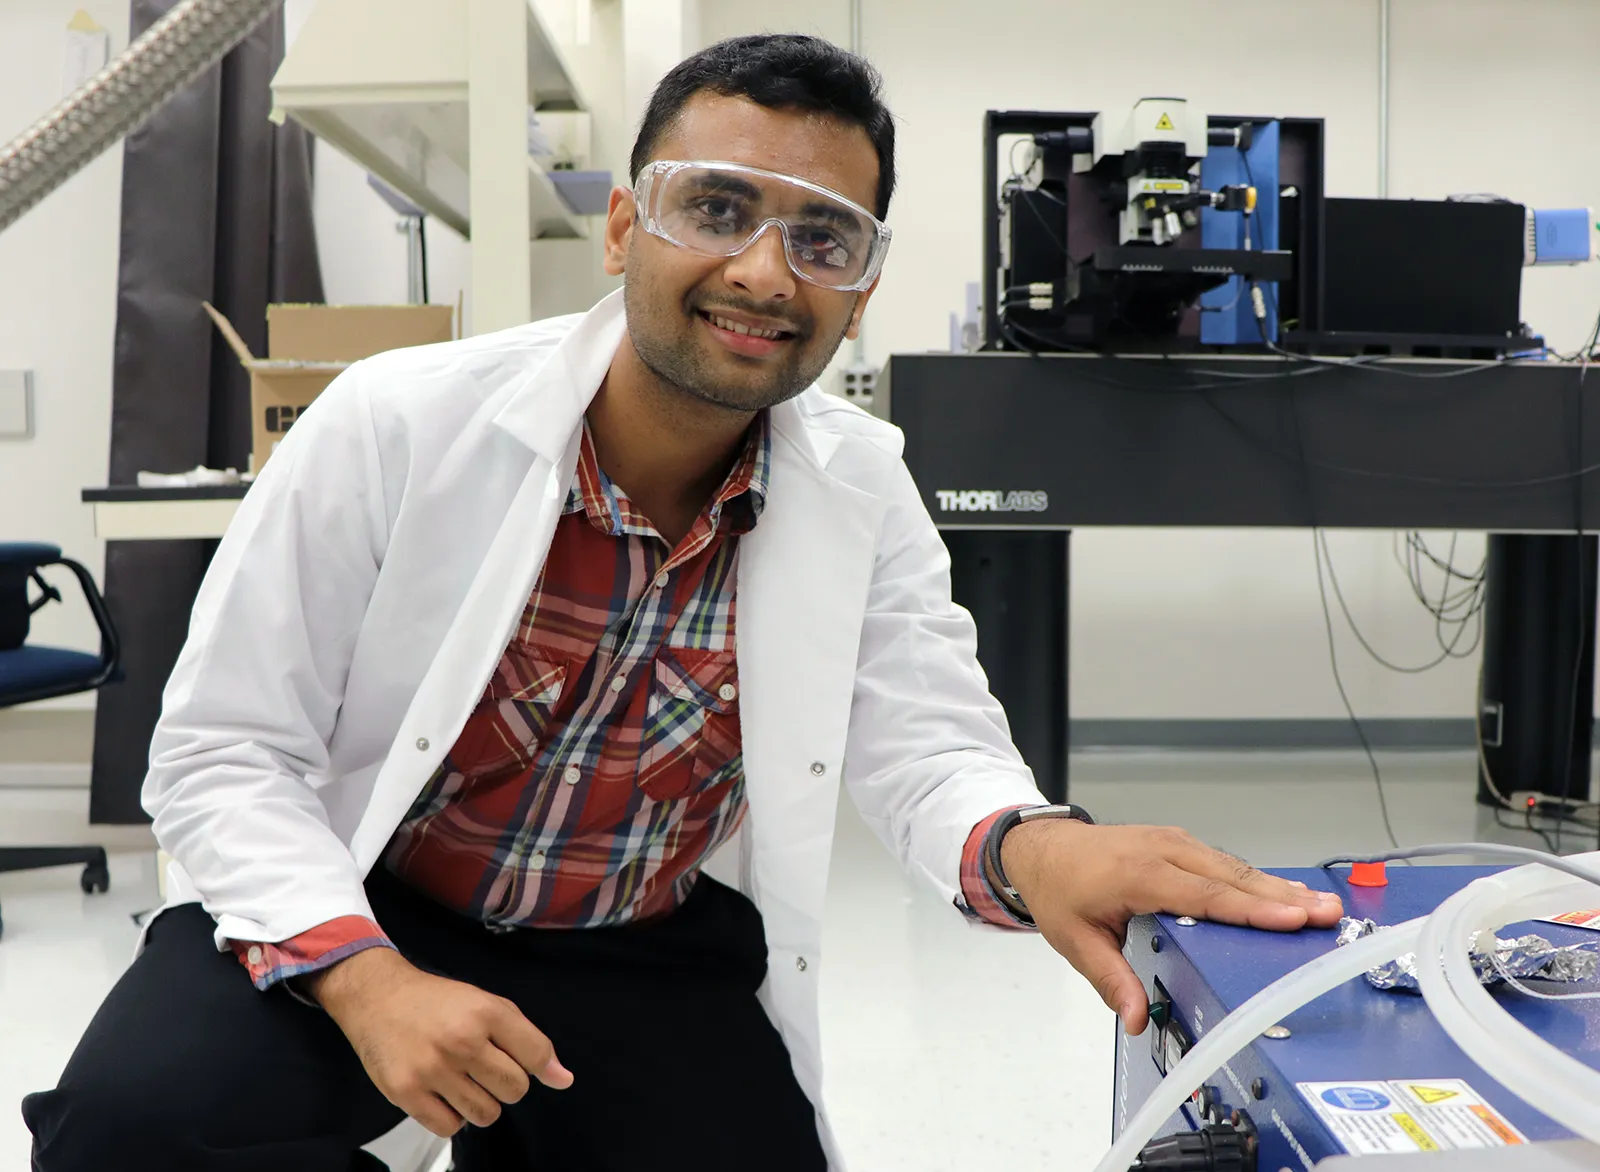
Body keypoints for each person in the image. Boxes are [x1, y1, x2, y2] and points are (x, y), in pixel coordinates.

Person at [23, 33, 1343, 1172]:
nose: (766, 272)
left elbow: (926, 742)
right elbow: (224, 753)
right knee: (141, 1133)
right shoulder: (401, 422)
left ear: (861, 284)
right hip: (371, 894)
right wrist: (368, 983)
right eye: (716, 209)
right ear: (623, 225)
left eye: (822, 236)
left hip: (634, 938)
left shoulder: (861, 484)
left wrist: (1035, 847)